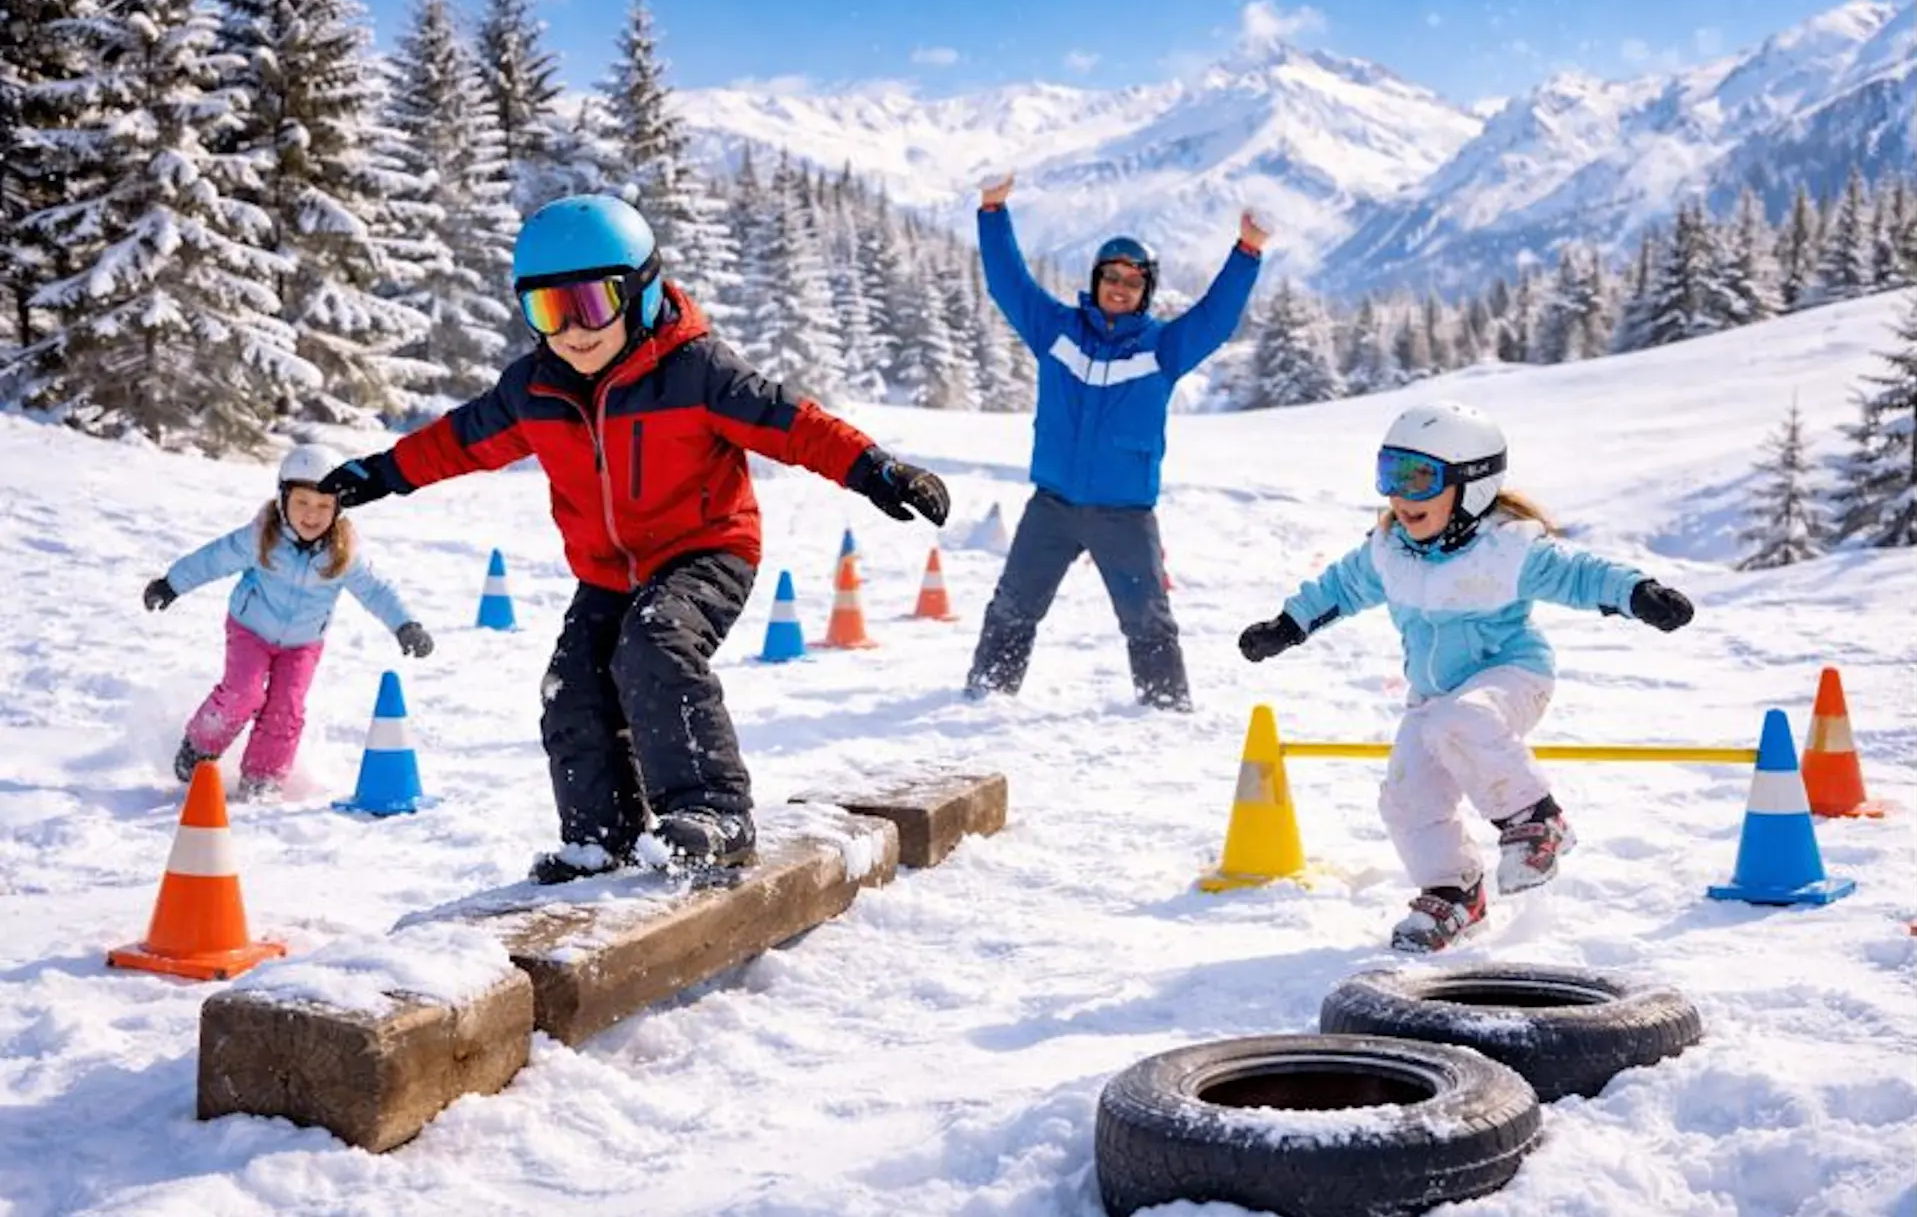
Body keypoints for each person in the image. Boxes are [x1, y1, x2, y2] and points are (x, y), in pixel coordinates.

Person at [316, 194, 951, 883]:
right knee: (573, 685)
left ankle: (716, 813)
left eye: (591, 304)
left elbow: (791, 423)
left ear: (643, 293)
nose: (574, 331)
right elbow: (457, 441)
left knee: (655, 643)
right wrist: (376, 475)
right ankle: (600, 837)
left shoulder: (698, 370)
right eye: (548, 311)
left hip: (707, 549)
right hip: (608, 572)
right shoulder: (534, 390)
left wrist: (875, 469)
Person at [1236, 402, 1695, 952]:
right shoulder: (1389, 553)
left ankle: (1536, 820)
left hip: (1513, 678)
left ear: (1472, 484)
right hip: (1433, 699)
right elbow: (1339, 588)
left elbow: (1580, 574)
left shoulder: (1507, 549)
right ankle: (1455, 892)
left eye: (1419, 477)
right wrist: (1288, 626)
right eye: (1391, 474)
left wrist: (1637, 593)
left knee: (1465, 718)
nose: (1401, 496)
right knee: (1407, 799)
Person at [965, 172, 1265, 711]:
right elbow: (1009, 283)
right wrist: (992, 210)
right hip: (1052, 506)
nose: (1121, 286)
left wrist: (1247, 250)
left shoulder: (1162, 349)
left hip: (1124, 514)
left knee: (1147, 619)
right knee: (1013, 606)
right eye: (1112, 276)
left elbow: (1216, 319)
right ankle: (986, 693)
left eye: (1133, 279)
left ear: (1146, 291)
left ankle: (1165, 708)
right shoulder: (1056, 330)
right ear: (1097, 279)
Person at [143, 443, 432, 800]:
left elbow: (376, 590)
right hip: (250, 629)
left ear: (338, 508)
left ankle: (263, 778)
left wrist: (405, 624)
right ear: (283, 500)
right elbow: (214, 559)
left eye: (324, 505)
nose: (312, 515)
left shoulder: (344, 554)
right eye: (302, 503)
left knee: (286, 707)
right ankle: (200, 745)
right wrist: (172, 583)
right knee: (243, 693)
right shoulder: (261, 536)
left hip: (303, 644)